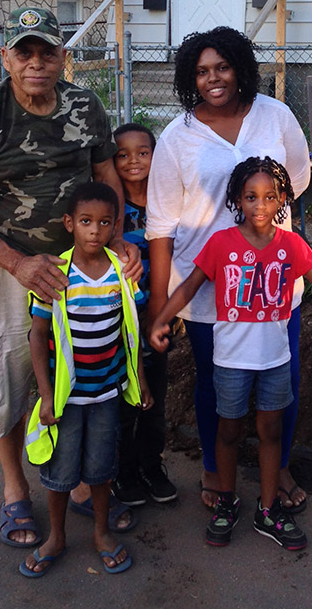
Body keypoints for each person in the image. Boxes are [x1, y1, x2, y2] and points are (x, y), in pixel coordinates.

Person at [0, 6, 141, 549]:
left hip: (82, 266)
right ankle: (14, 492)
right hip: (11, 266)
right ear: (6, 57)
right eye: (23, 52)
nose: (36, 62)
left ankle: (73, 486)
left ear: (62, 57)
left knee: (78, 375)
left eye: (46, 51)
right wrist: (17, 263)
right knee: (9, 377)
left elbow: (105, 177)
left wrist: (116, 240)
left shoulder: (84, 105)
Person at [150, 157, 312, 550]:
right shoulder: (221, 243)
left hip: (276, 360)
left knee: (271, 431)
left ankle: (269, 507)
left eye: (270, 197)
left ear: (282, 201)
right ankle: (226, 501)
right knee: (228, 431)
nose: (260, 205)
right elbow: (190, 286)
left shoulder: (290, 244)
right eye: (251, 197)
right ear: (237, 200)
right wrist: (161, 320)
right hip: (230, 361)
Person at [145, 26, 311, 512]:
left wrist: (264, 235)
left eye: (221, 67)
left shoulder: (275, 116)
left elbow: (296, 179)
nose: (212, 79)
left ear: (239, 67)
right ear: (188, 78)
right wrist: (160, 305)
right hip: (206, 293)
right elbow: (160, 224)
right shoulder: (179, 137)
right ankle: (217, 474)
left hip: (274, 286)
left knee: (283, 379)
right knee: (214, 385)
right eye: (200, 71)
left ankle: (278, 468)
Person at [21, 182, 151, 577]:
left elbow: (131, 332)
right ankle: (56, 537)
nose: (95, 230)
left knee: (100, 469)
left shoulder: (121, 273)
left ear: (116, 227)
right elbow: (38, 337)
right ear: (69, 224)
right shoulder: (56, 274)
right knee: (60, 474)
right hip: (67, 399)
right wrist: (46, 395)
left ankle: (100, 533)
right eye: (85, 222)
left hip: (107, 393)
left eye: (104, 223)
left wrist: (140, 381)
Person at [111, 123, 178, 506]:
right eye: (122, 154)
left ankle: (152, 466)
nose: (133, 160)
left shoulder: (166, 203)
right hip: (119, 322)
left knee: (155, 393)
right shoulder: (110, 210)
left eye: (143, 152)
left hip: (159, 317)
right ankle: (124, 473)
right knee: (123, 398)